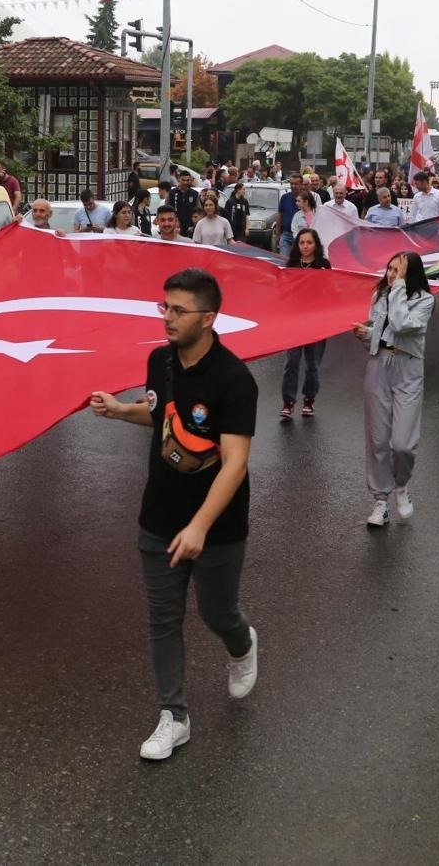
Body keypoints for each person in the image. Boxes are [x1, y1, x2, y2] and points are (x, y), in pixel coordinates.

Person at [88, 268, 259, 761]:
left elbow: (236, 462)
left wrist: (200, 526)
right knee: (163, 619)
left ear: (208, 319)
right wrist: (122, 411)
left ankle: (242, 643)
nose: (167, 317)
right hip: (158, 516)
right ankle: (174, 717)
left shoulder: (234, 380)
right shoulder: (158, 360)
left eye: (178, 310)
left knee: (216, 612)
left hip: (218, 525)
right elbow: (163, 415)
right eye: (164, 307)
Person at [353, 251, 435, 527]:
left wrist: (398, 288)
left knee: (402, 444)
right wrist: (367, 335)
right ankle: (380, 501)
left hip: (408, 369)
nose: (391, 274)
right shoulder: (379, 296)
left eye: (398, 270)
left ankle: (401, 486)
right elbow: (378, 333)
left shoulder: (425, 300)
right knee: (377, 439)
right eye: (389, 268)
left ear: (411, 273)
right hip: (379, 366)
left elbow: (401, 325)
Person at [280, 229, 332, 420]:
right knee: (292, 362)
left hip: (317, 323)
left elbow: (331, 293)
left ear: (315, 245)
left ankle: (309, 399)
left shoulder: (324, 265)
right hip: (295, 322)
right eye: (302, 243)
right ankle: (288, 402)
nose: (305, 246)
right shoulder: (292, 265)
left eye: (309, 242)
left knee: (313, 365)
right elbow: (284, 290)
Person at [273, 177, 304, 256]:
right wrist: (277, 234)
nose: (293, 186)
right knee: (284, 259)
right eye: (291, 184)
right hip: (286, 234)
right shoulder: (285, 197)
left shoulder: (306, 198)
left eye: (296, 184)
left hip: (301, 236)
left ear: (301, 185)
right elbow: (280, 215)